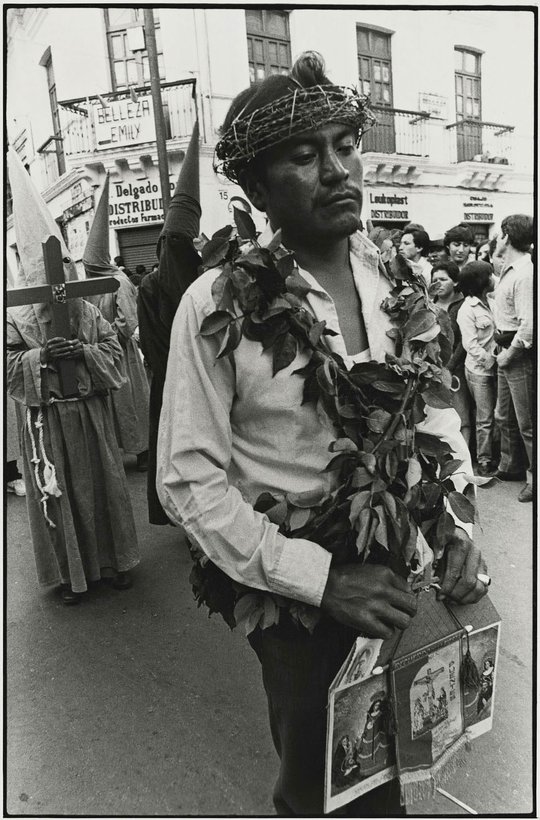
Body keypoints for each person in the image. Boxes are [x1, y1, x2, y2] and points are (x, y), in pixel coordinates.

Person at [157, 52, 489, 816]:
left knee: (409, 759)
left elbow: (436, 417)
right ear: (258, 189)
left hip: (403, 574)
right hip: (297, 603)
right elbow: (188, 480)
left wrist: (458, 528)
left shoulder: (393, 283)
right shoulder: (216, 303)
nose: (338, 169)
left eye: (344, 145)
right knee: (323, 788)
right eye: (305, 156)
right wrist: (323, 581)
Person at [6, 148, 139, 605]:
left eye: (65, 265)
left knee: (103, 489)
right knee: (58, 496)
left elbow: (113, 351)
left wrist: (83, 350)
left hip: (90, 414)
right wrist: (41, 356)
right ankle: (70, 576)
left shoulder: (86, 309)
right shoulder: (16, 318)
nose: (59, 276)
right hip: (47, 422)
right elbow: (7, 366)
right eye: (49, 269)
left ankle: (115, 562)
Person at [137, 120, 202, 524]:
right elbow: (151, 340)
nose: (177, 251)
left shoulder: (206, 278)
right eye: (172, 244)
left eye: (184, 244)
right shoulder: (150, 285)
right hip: (171, 377)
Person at [83, 175, 150, 473]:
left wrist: (109, 339)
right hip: (103, 353)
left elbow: (129, 319)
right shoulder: (93, 283)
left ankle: (144, 451)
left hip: (121, 354)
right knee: (113, 406)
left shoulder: (118, 281)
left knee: (131, 402)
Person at [491, 215, 534, 502]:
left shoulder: (525, 273)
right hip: (505, 348)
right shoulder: (510, 269)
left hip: (518, 354)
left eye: (500, 233)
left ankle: (535, 480)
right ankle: (511, 465)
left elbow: (529, 326)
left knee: (528, 424)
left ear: (506, 236)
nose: (497, 238)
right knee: (503, 415)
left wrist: (508, 355)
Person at [457, 261, 497, 476]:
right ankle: (484, 460)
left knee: (497, 415)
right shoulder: (467, 309)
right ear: (481, 281)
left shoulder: (493, 301)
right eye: (490, 275)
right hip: (479, 370)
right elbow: (470, 345)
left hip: (498, 365)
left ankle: (495, 455)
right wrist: (489, 360)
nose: (493, 279)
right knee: (484, 417)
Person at [431, 260, 471, 445]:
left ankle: (464, 455)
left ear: (455, 282)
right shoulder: (428, 305)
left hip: (456, 367)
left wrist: (450, 366)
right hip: (432, 368)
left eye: (443, 279)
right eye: (434, 280)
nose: (438, 284)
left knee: (462, 414)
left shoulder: (463, 305)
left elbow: (465, 340)